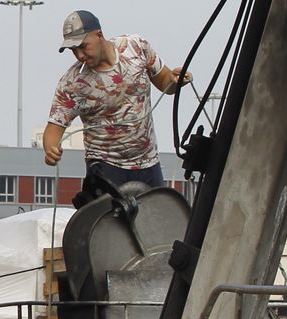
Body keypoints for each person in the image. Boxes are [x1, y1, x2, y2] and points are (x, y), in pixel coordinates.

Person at [41, 10, 191, 189]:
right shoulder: (73, 83)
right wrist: (50, 149)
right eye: (73, 50)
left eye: (83, 46)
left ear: (99, 35)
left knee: (158, 208)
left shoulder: (135, 47)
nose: (80, 55)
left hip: (148, 162)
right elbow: (53, 129)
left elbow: (165, 83)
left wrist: (176, 81)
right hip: (105, 166)